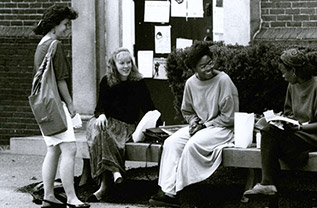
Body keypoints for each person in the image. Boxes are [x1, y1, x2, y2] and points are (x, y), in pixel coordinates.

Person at [149, 42, 239, 207]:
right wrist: (193, 122)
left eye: (210, 63)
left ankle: (187, 192)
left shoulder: (223, 80)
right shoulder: (191, 83)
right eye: (203, 66)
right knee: (172, 142)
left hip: (223, 128)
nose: (208, 68)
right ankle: (168, 192)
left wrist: (205, 125)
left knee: (192, 144)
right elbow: (187, 111)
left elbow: (230, 117)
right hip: (202, 127)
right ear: (194, 69)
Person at [244, 48, 317, 197]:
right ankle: (271, 186)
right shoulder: (292, 85)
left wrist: (300, 126)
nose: (283, 76)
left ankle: (268, 183)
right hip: (298, 133)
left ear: (294, 71)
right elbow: (289, 113)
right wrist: (282, 120)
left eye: (284, 72)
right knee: (267, 129)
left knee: (271, 136)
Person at [33, 5, 90, 208]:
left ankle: (48, 195)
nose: (68, 29)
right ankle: (72, 198)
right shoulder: (55, 45)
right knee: (70, 149)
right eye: (66, 24)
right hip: (56, 105)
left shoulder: (42, 45)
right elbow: (60, 81)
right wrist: (72, 106)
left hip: (43, 106)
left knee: (53, 150)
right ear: (54, 25)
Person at [86, 47, 159, 202]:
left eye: (128, 62)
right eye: (122, 63)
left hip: (126, 126)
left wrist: (155, 122)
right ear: (114, 65)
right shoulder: (106, 81)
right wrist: (101, 115)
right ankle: (114, 173)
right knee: (100, 129)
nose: (126, 66)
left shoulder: (138, 82)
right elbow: (99, 108)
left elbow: (149, 108)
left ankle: (105, 185)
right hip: (107, 123)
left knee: (103, 135)